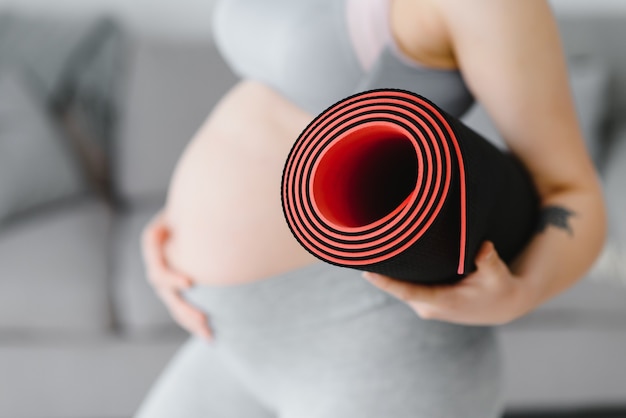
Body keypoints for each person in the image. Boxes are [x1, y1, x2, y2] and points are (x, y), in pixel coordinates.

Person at [135, 0, 606, 417]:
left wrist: (519, 295)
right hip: (231, 345)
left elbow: (571, 194)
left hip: (373, 349)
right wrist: (179, 226)